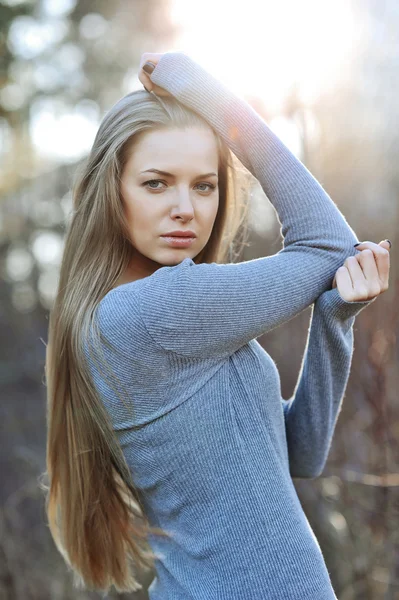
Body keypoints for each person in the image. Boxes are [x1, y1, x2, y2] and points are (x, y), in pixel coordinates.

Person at [41, 51, 391, 599]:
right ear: (111, 191)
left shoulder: (133, 315)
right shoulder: (156, 310)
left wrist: (334, 319)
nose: (186, 207)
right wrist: (210, 95)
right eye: (156, 183)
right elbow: (328, 244)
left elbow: (301, 452)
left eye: (204, 185)